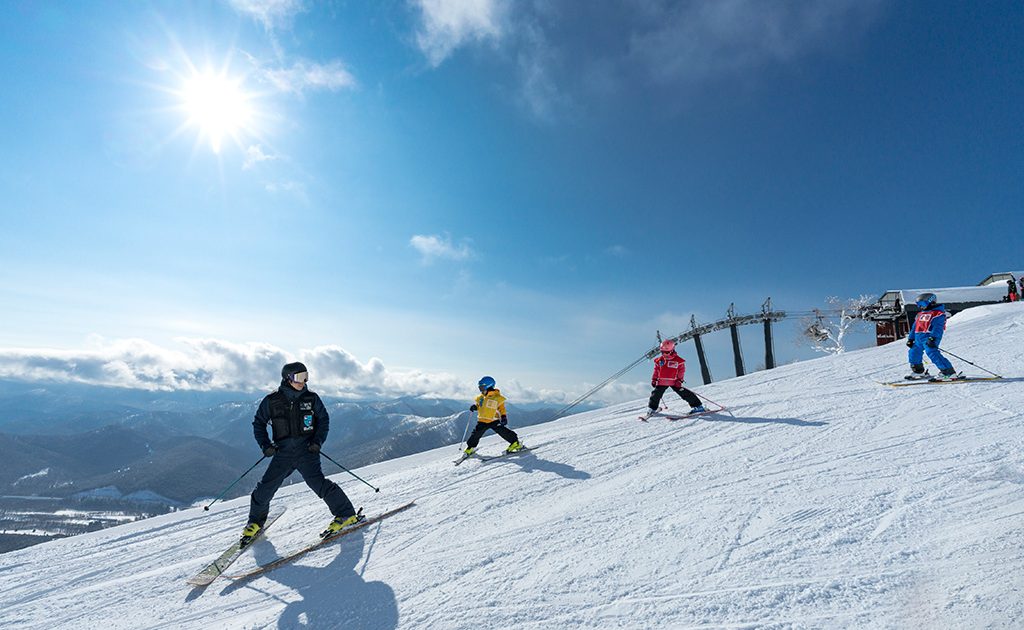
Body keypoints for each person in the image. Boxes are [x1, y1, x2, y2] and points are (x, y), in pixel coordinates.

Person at [240, 362, 360, 545]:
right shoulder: (272, 400)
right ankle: (255, 523)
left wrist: (317, 441)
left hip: (307, 452)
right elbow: (259, 423)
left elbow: (323, 420)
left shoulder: (311, 399)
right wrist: (265, 445)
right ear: (287, 379)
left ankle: (346, 515)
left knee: (319, 484)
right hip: (283, 454)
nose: (303, 382)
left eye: (306, 376)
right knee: (264, 489)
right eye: (299, 377)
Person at [641, 339, 705, 420]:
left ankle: (698, 406)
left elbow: (681, 371)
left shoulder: (678, 361)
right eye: (662, 352)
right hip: (662, 382)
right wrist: (654, 379)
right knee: (655, 395)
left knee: (685, 393)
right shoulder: (660, 360)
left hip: (674, 382)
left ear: (672, 350)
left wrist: (679, 380)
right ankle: (652, 409)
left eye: (666, 352)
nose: (664, 354)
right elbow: (656, 370)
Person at [904, 293, 961, 381]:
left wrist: (933, 338)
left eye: (922, 304)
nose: (920, 307)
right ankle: (919, 371)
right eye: (918, 305)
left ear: (931, 302)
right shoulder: (920, 314)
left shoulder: (938, 314)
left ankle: (949, 372)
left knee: (932, 352)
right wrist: (911, 338)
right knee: (913, 352)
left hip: (930, 337)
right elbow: (914, 327)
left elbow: (938, 327)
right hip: (918, 338)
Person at [462, 376, 525, 456]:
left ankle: (515, 443)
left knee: (503, 432)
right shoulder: (481, 398)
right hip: (482, 421)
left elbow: (502, 408)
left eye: (482, 387)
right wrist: (475, 407)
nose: (481, 390)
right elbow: (479, 405)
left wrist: (503, 417)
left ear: (489, 387)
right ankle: (471, 447)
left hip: (493, 420)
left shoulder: (497, 398)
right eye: (480, 388)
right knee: (475, 434)